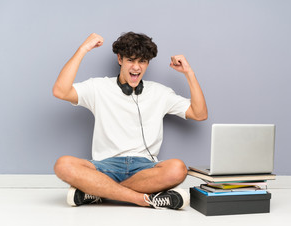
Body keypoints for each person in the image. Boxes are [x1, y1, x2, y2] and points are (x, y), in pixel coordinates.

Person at [52, 32, 207, 210]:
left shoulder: (160, 92)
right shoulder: (98, 87)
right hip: (104, 167)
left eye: (142, 61)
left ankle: (96, 193)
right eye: (131, 60)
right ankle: (145, 199)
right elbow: (60, 91)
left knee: (178, 169)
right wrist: (83, 49)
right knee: (63, 165)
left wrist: (189, 73)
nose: (136, 67)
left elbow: (199, 113)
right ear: (120, 59)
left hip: (145, 170)